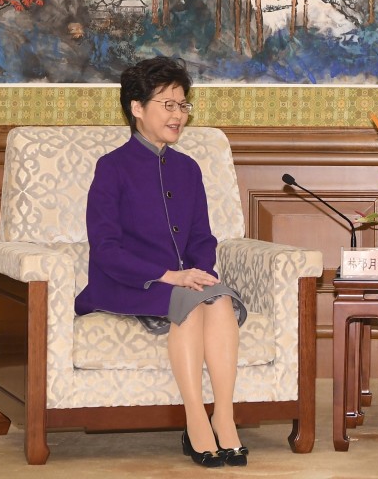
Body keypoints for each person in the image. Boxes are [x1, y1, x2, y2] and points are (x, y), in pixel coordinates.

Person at [74, 56, 249, 469]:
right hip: (127, 282)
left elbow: (203, 238)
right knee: (190, 303)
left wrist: (199, 274)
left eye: (183, 105)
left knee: (219, 299)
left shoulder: (188, 169)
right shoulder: (112, 167)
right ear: (137, 107)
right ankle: (196, 420)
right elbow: (106, 248)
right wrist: (169, 276)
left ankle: (224, 416)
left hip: (182, 280)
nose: (178, 115)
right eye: (168, 104)